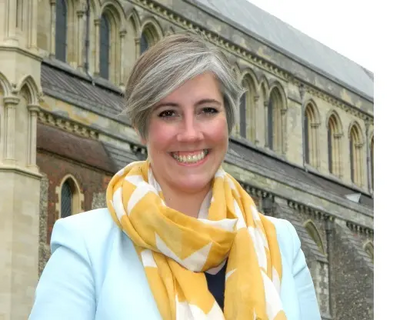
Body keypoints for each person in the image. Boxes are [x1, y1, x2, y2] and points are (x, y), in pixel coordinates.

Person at [29, 33, 321, 320]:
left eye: (207, 110)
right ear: (141, 127)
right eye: (168, 113)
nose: (191, 133)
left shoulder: (282, 242)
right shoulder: (86, 244)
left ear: (228, 120)